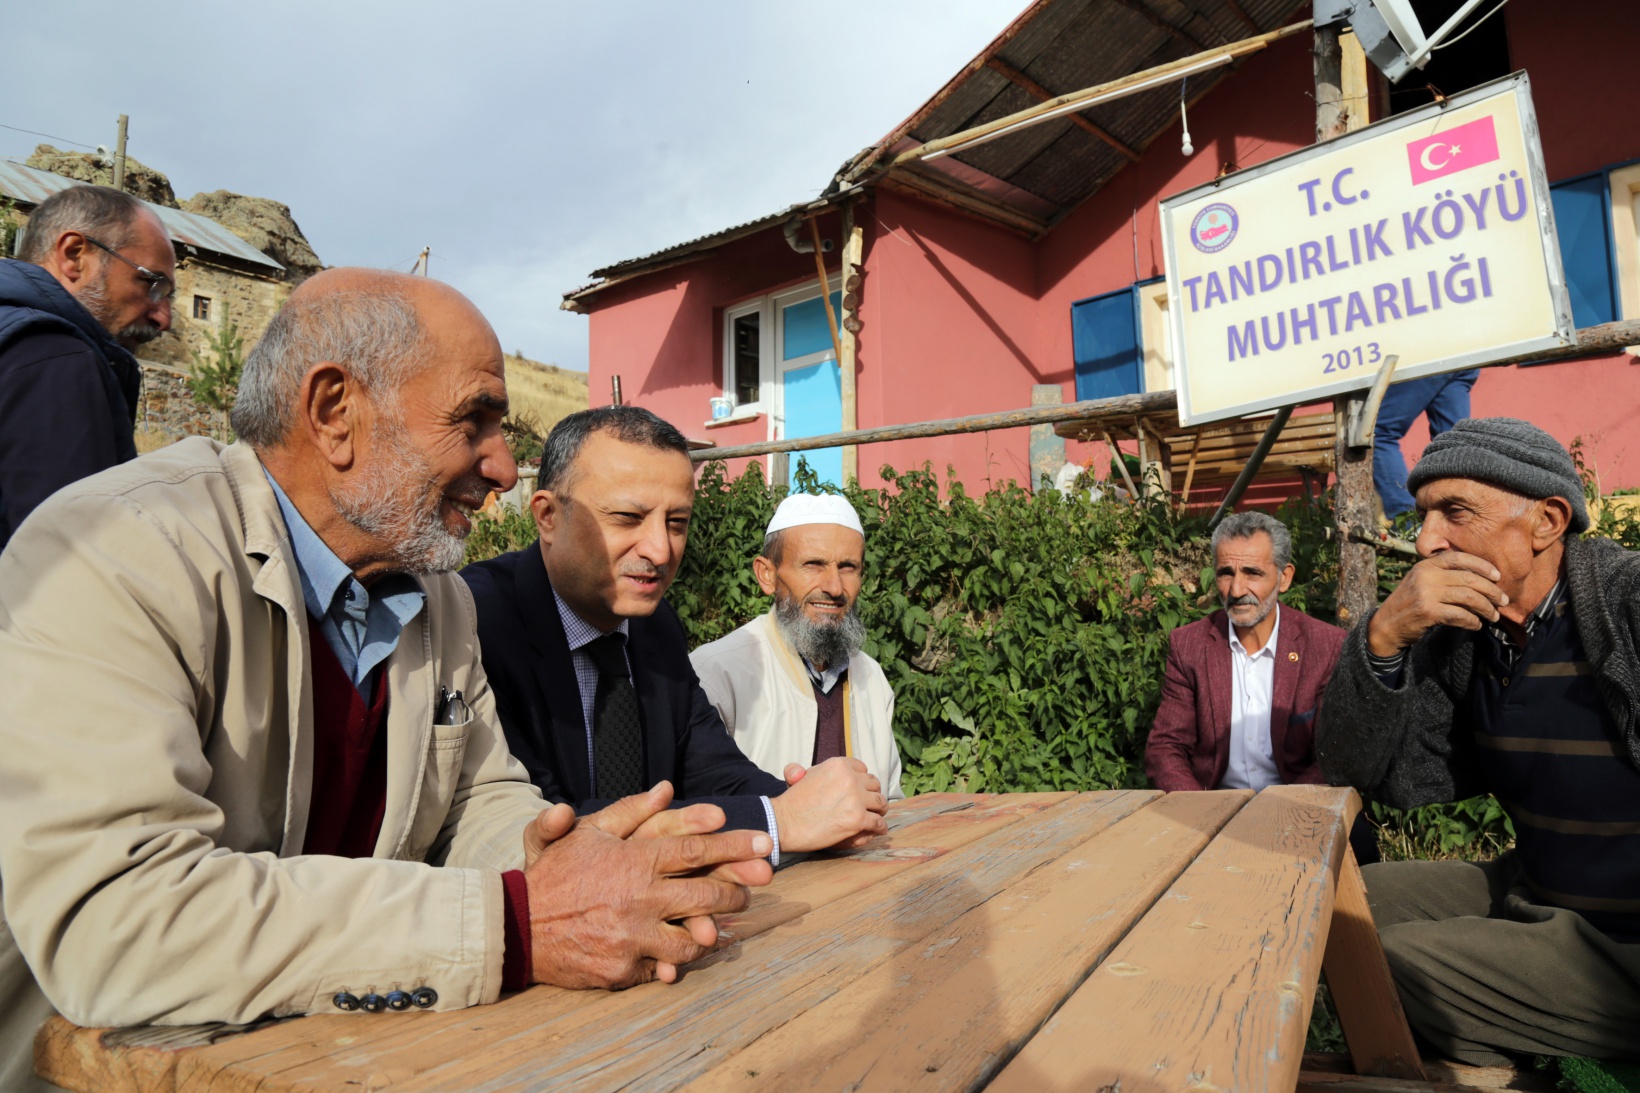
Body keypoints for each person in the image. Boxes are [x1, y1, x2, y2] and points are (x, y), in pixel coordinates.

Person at [0, 271, 770, 1093]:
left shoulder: (437, 597)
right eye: (474, 419)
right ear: (336, 413)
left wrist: (574, 861)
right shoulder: (115, 552)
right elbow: (124, 922)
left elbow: (479, 798)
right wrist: (511, 924)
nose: (505, 466)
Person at [1317, 417, 1640, 1065]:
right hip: (1539, 884)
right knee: (1328, 908)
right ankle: (1504, 1026)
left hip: (1624, 940)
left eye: (1455, 511)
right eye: (1423, 514)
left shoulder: (1625, 603)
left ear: (1547, 520)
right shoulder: (1473, 638)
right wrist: (1383, 637)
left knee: (1395, 961)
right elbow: (1368, 770)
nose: (1429, 540)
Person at [463, 407, 888, 867]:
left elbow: (713, 769)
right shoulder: (477, 625)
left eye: (677, 523)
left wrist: (811, 805)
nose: (661, 550)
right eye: (627, 517)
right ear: (547, 516)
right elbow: (544, 824)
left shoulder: (654, 625)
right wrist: (779, 820)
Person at [1145, 511, 1376, 863]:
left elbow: (1333, 754)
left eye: (1252, 573)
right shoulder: (1190, 645)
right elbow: (1165, 747)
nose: (1237, 591)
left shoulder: (1324, 645)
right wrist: (1203, 815)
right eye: (1226, 573)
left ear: (1284, 578)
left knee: (1359, 851)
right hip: (1212, 810)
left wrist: (1275, 814)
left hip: (1299, 807)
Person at [690, 492, 904, 800]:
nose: (834, 587)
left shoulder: (872, 678)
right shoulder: (716, 674)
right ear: (768, 575)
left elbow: (892, 802)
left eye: (847, 567)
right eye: (813, 565)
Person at [0, 184, 174, 550]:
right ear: (74, 255)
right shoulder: (55, 358)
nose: (164, 318)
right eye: (152, 284)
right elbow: (68, 566)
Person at [1373, 369, 1478, 519]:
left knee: (1376, 432)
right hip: (1463, 355)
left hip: (1425, 355)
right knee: (1453, 444)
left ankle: (1409, 524)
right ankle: (1463, 520)